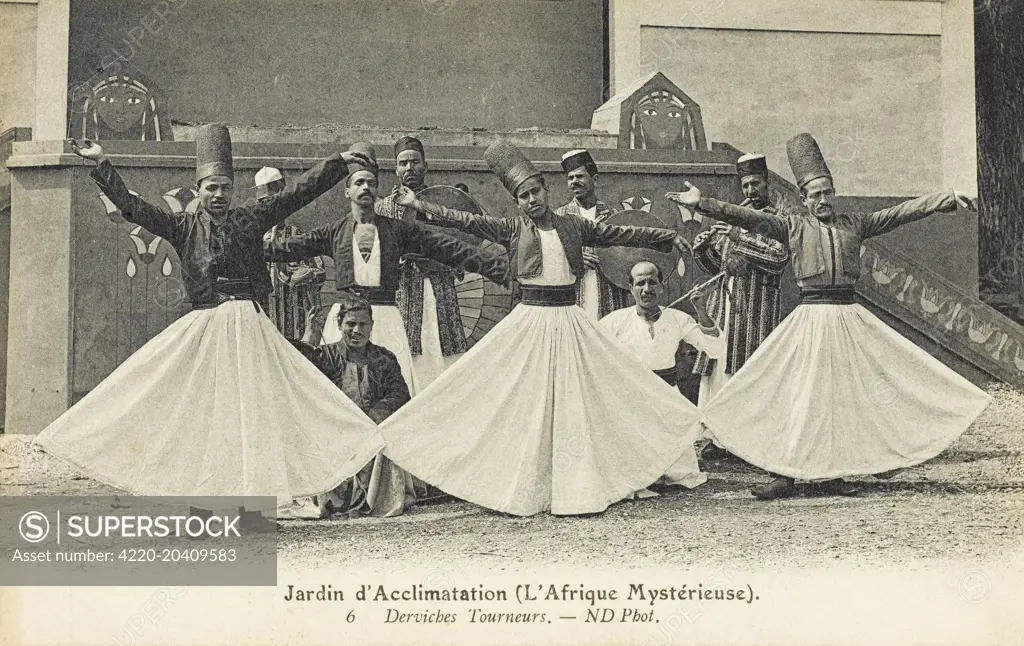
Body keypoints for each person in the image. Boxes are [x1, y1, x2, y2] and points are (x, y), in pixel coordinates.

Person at [32, 126, 385, 507]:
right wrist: (102, 163)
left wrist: (338, 163)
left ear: (233, 192)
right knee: (190, 405)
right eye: (210, 188)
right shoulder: (182, 227)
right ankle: (208, 494)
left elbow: (297, 194)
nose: (218, 196)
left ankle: (254, 495)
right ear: (197, 190)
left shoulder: (249, 218)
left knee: (253, 411)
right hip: (205, 326)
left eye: (225, 189)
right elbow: (135, 209)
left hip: (250, 327)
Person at [379, 139, 709, 517]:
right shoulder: (512, 228)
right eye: (523, 196)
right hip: (531, 322)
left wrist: (666, 237)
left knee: (576, 401)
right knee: (524, 400)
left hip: (568, 320)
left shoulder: (574, 225)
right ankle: (526, 484)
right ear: (517, 202)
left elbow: (620, 234)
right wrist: (420, 205)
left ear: (546, 191)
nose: (532, 200)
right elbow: (466, 221)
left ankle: (575, 484)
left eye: (536, 191)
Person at [666, 132, 993, 499]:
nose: (822, 200)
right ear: (803, 200)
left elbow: (900, 213)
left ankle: (834, 473)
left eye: (827, 192)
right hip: (810, 318)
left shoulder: (855, 224)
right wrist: (702, 204)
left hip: (848, 318)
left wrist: (944, 199)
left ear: (834, 194)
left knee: (842, 396)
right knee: (799, 395)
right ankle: (785, 474)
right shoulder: (791, 225)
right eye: (815, 194)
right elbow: (744, 216)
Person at [263, 142, 509, 516]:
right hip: (342, 322)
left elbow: (447, 246)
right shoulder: (333, 231)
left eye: (370, 183)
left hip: (386, 320)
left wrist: (500, 267)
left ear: (376, 191)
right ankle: (339, 483)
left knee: (392, 403)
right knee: (336, 401)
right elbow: (286, 249)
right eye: (358, 182)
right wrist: (247, 245)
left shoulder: (398, 230)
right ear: (347, 190)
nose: (365, 188)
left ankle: (394, 485)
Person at [690, 153, 789, 458]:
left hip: (757, 309)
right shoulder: (730, 214)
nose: (750, 191)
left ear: (766, 183)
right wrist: (703, 248)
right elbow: (717, 267)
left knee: (752, 376)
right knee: (719, 372)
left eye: (755, 184)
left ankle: (750, 443)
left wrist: (737, 235)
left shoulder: (777, 220)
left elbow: (778, 258)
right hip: (726, 307)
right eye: (745, 185)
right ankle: (720, 440)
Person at [600, 260, 726, 497]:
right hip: (630, 400)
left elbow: (715, 346)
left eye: (652, 282)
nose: (647, 289)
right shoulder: (614, 322)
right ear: (631, 289)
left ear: (662, 287)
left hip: (667, 396)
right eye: (640, 283)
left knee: (682, 472)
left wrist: (699, 309)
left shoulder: (678, 318)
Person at [281, 296, 412, 519]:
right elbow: (298, 371)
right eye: (350, 324)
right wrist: (310, 334)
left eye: (363, 324)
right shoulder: (326, 355)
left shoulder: (384, 358)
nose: (356, 330)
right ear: (339, 325)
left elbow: (399, 393)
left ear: (372, 326)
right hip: (336, 432)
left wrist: (375, 414)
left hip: (372, 430)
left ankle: (370, 498)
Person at [374, 137, 469, 389]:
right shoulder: (381, 209)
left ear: (425, 166)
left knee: (444, 356)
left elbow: (459, 246)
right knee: (405, 356)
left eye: (415, 162)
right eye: (403, 163)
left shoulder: (442, 204)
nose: (409, 168)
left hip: (440, 291)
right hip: (403, 294)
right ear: (395, 169)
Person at [250, 167, 328, 339]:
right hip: (261, 320)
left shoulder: (297, 235)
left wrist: (308, 274)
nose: (269, 207)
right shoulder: (250, 237)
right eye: (263, 202)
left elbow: (320, 271)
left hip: (294, 322)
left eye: (274, 201)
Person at [554, 149, 632, 320]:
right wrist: (573, 258)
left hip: (609, 297)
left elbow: (627, 259)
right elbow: (547, 257)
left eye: (580, 176)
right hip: (573, 299)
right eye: (570, 178)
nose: (574, 182)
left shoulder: (614, 216)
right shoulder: (558, 217)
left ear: (595, 179)